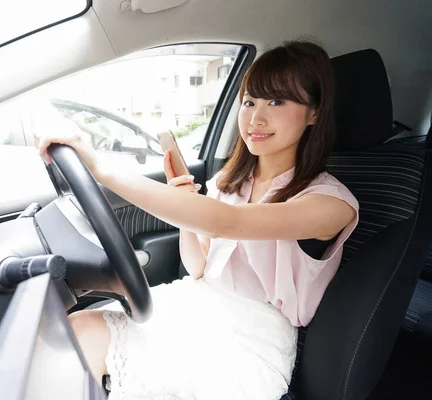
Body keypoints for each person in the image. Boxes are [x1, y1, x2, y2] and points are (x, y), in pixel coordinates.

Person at [36, 41, 359, 400]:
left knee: (83, 340)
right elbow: (198, 267)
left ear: (314, 113)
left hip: (250, 344)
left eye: (277, 102)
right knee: (65, 331)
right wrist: (187, 209)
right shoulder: (231, 182)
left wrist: (103, 169)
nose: (255, 118)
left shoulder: (331, 202)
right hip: (197, 308)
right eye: (250, 101)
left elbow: (230, 222)